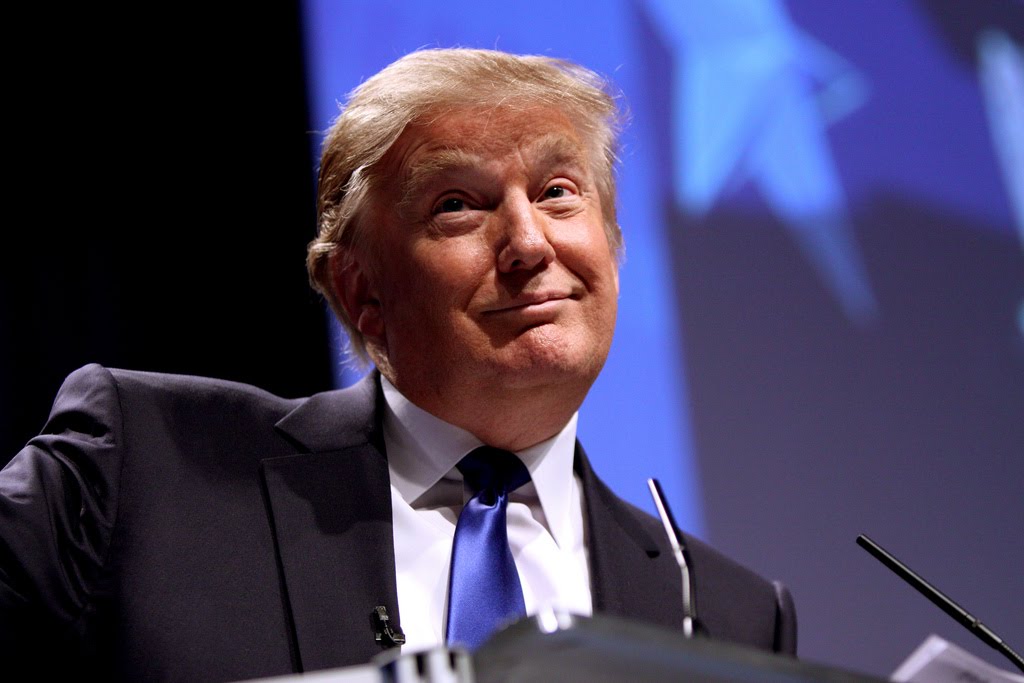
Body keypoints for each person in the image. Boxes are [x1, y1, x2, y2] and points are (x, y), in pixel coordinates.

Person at [0, 48, 795, 681]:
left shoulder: (731, 615)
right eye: (458, 204)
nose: (529, 242)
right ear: (360, 288)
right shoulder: (147, 469)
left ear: (614, 252)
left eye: (558, 192)